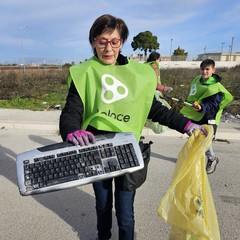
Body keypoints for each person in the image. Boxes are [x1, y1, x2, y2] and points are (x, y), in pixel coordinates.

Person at [59, 14, 207, 240]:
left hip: (128, 150)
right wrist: (71, 130)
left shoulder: (138, 74)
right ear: (93, 42)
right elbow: (71, 111)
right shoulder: (85, 73)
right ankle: (103, 236)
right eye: (102, 42)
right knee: (102, 204)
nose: (108, 48)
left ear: (121, 42)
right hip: (96, 149)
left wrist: (186, 125)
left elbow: (154, 109)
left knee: (126, 212)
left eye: (114, 42)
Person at [180, 59, 233, 174]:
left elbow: (213, 105)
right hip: (196, 113)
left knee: (205, 139)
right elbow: (193, 96)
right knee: (194, 135)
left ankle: (211, 158)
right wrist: (188, 103)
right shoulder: (196, 80)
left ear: (213, 70)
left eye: (207, 69)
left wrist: (201, 107)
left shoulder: (216, 87)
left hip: (210, 115)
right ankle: (197, 159)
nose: (204, 72)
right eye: (202, 69)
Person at [145, 51, 172, 133]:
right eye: (159, 59)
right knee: (163, 111)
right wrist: (165, 88)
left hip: (144, 93)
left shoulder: (144, 65)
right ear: (156, 59)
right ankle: (159, 129)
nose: (159, 61)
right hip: (153, 94)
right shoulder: (154, 67)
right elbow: (155, 84)